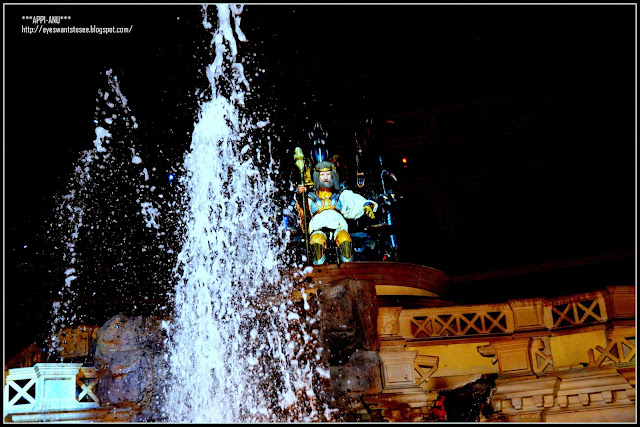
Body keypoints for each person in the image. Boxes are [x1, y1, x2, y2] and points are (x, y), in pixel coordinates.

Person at [296, 160, 377, 265]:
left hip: (339, 227)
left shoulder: (341, 194)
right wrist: (300, 195)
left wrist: (366, 205)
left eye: (328, 174)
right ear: (317, 177)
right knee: (316, 242)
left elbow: (356, 200)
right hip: (317, 228)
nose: (325, 177)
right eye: (322, 175)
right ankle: (320, 271)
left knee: (345, 240)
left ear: (333, 176)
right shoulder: (310, 197)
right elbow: (303, 210)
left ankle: (347, 270)